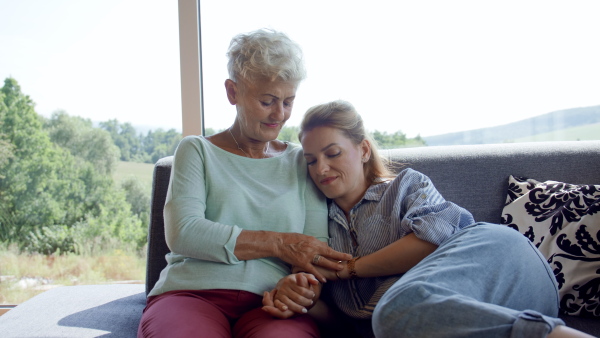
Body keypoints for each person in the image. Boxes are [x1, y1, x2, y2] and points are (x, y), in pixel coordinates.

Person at [262, 100, 593, 338]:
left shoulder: (406, 185)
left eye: (332, 153)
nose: (321, 168)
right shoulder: (316, 225)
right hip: (449, 320)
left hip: (504, 265)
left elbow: (431, 238)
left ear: (363, 150)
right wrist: (306, 300)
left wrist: (348, 269)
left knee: (397, 309)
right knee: (392, 320)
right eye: (310, 160)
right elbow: (346, 324)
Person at [137, 29, 351, 338]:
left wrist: (302, 287)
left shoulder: (301, 160)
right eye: (267, 101)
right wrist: (280, 243)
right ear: (232, 92)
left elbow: (315, 251)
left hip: (273, 302)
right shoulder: (197, 150)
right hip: (192, 293)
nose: (279, 114)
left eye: (288, 102)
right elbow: (184, 233)